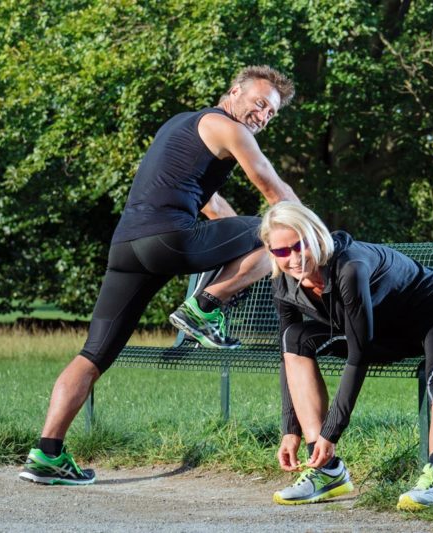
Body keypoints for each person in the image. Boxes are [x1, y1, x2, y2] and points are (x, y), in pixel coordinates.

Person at [19, 65, 299, 485]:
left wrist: (239, 237)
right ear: (234, 91)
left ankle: (47, 453)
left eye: (271, 114)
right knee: (276, 231)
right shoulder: (229, 129)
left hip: (127, 246)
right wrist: (314, 234)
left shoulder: (182, 125)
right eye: (259, 104)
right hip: (169, 239)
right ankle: (205, 307)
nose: (262, 116)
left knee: (94, 354)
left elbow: (213, 207)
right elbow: (273, 190)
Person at [258, 202, 433, 509]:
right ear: (271, 251)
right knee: (294, 338)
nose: (292, 259)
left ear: (316, 237)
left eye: (299, 246)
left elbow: (359, 355)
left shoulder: (350, 267)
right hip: (385, 334)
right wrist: (289, 430)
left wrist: (331, 432)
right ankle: (325, 469)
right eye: (280, 251)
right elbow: (288, 353)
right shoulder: (283, 282)